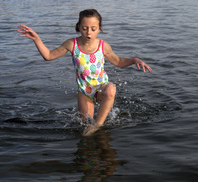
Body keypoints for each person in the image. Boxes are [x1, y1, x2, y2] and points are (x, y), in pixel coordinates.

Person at [18, 9, 152, 136]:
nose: (89, 32)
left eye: (93, 29)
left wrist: (134, 60)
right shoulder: (71, 44)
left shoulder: (103, 46)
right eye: (84, 28)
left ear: (99, 29)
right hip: (84, 92)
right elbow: (48, 56)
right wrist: (36, 39)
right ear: (78, 27)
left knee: (111, 90)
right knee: (84, 127)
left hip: (101, 88)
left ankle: (98, 125)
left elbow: (119, 62)